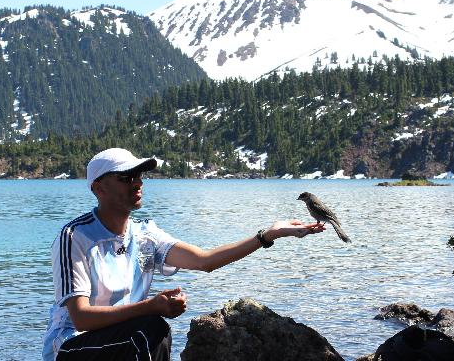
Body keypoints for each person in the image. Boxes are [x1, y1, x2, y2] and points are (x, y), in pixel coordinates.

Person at [42, 148, 324, 360]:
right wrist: (151, 306)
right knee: (151, 328)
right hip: (71, 346)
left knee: (152, 330)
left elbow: (205, 261)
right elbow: (82, 319)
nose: (137, 183)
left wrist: (268, 235)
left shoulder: (145, 235)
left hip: (125, 339)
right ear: (99, 188)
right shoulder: (75, 237)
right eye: (127, 177)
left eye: (139, 175)